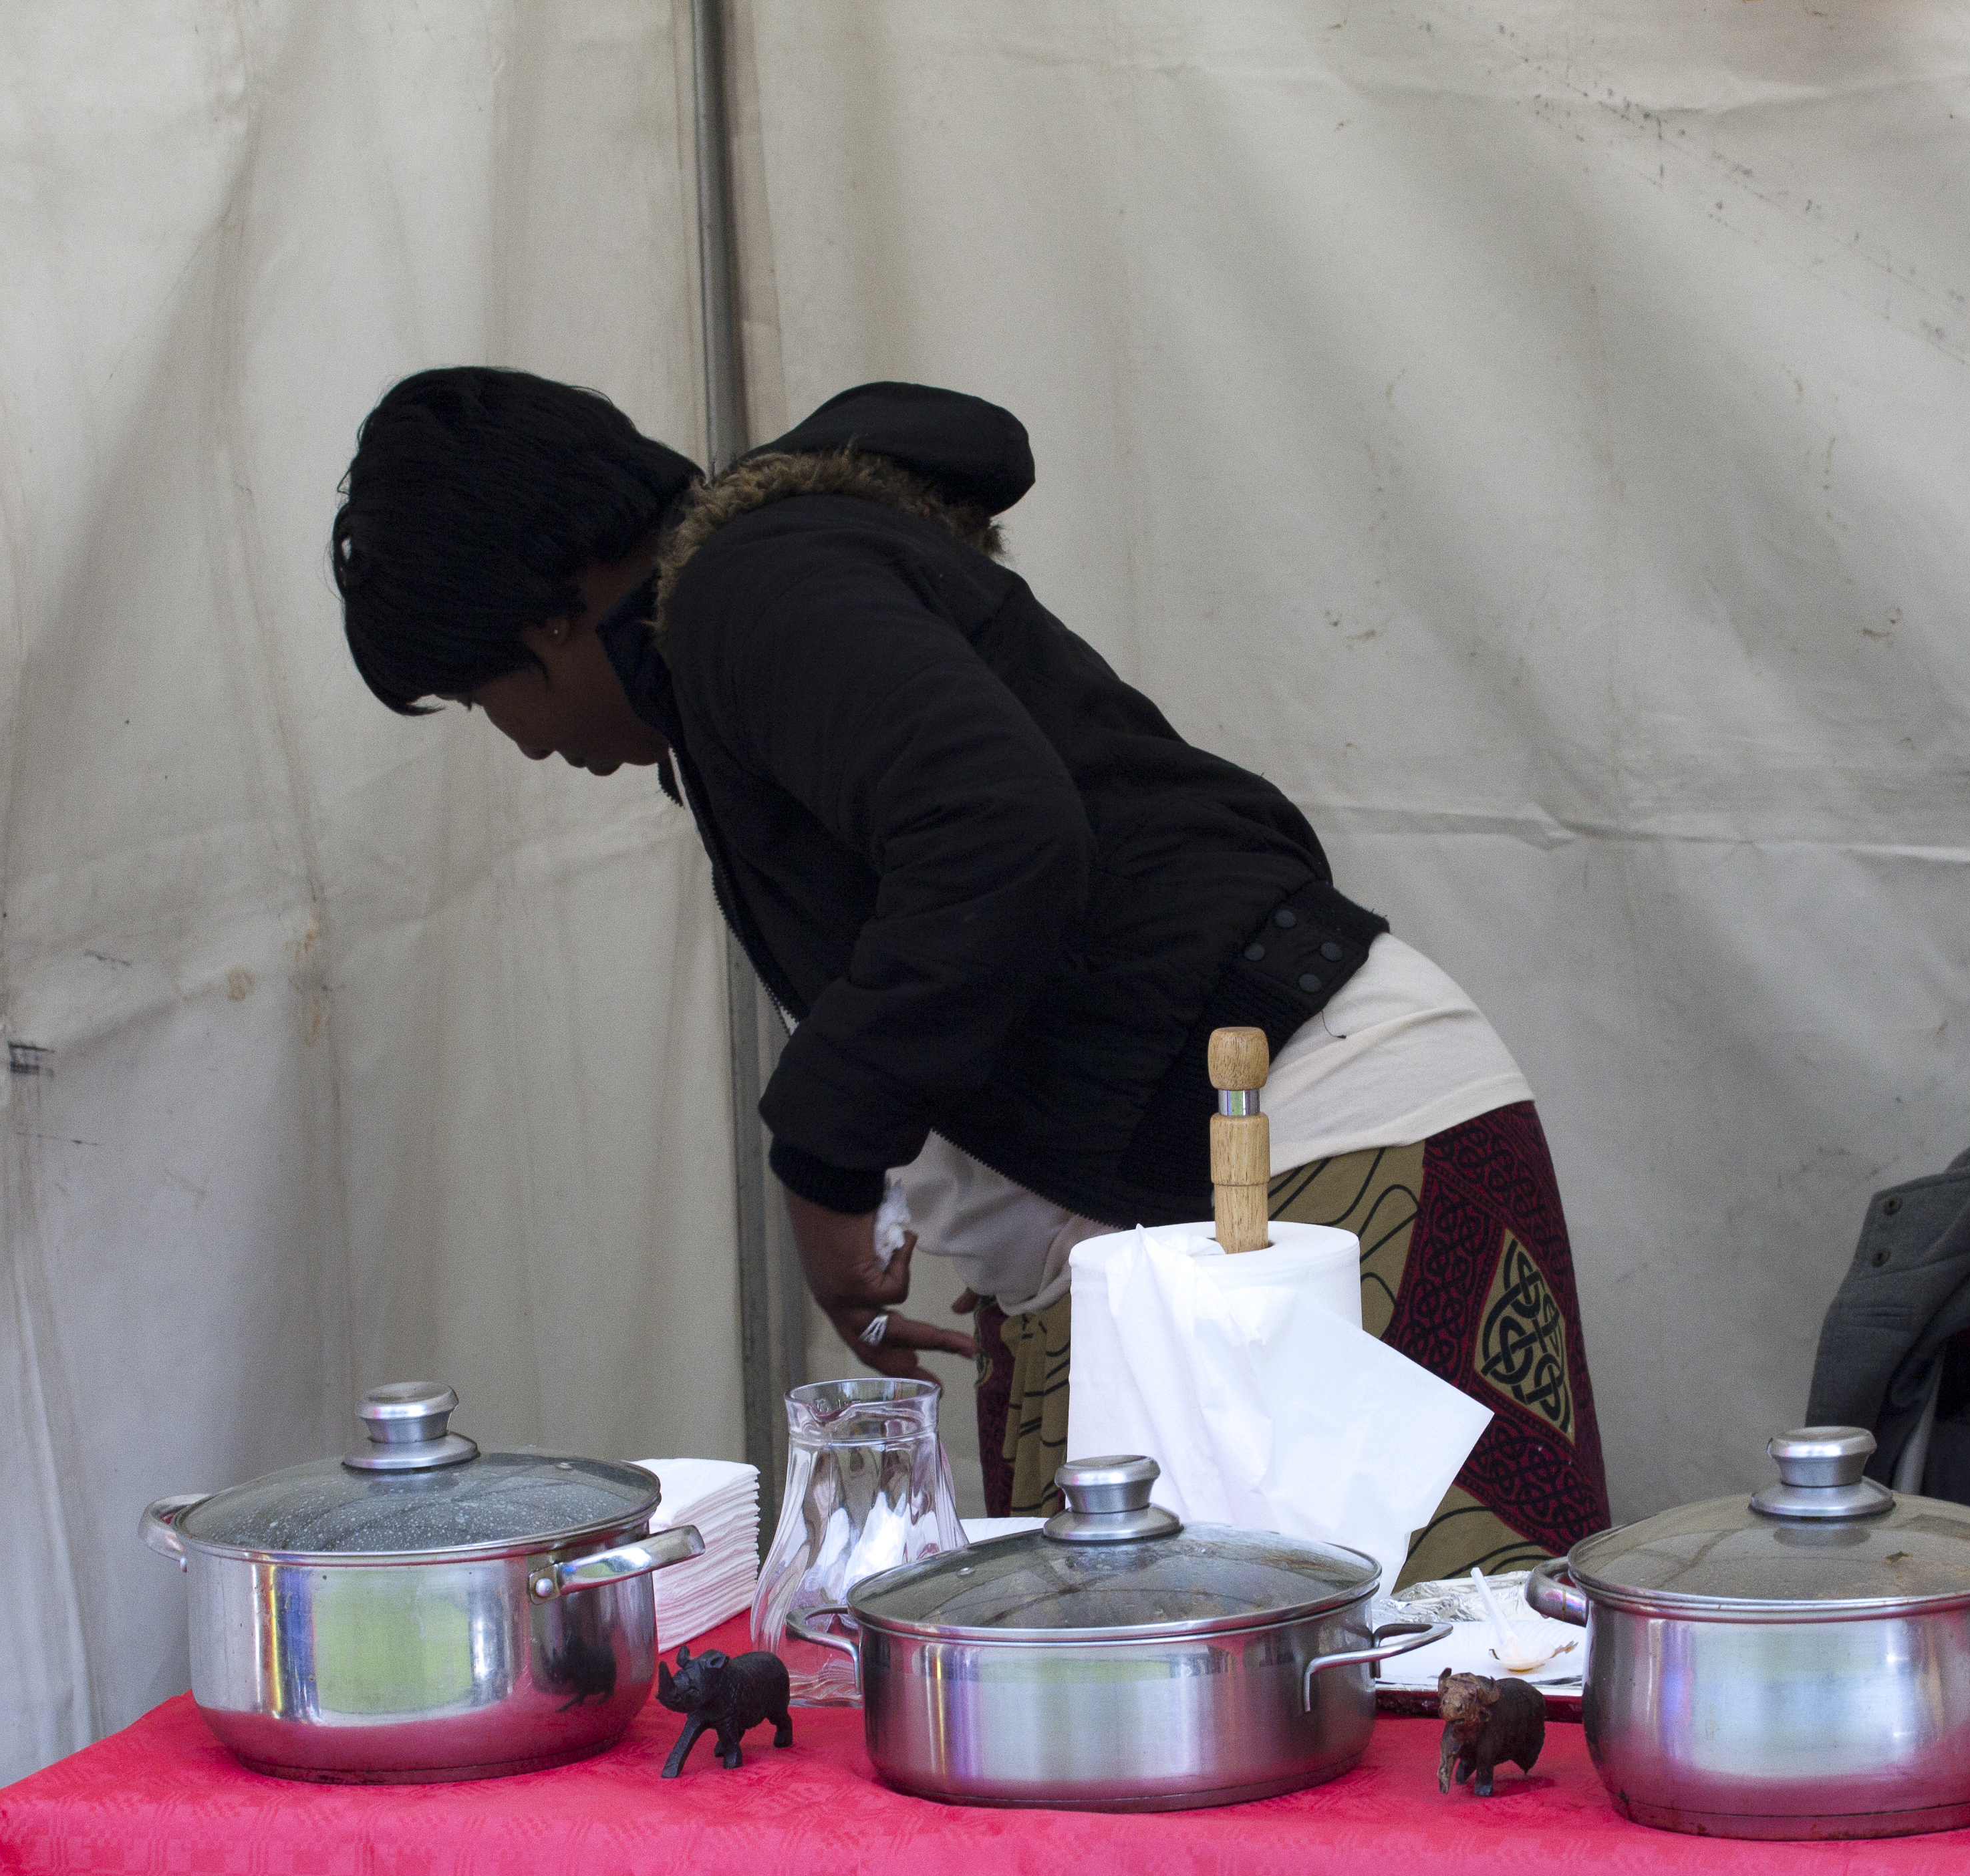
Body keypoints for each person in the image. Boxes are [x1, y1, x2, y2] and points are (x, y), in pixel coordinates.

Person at [330, 369, 1609, 1581]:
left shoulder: (748, 594)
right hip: (1148, 1224)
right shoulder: (748, 619)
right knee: (1125, 1755)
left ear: (546, 615)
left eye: (479, 692)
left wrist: (826, 1162)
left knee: (1415, 1703)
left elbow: (998, 830)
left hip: (1323, 1153)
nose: (518, 739)